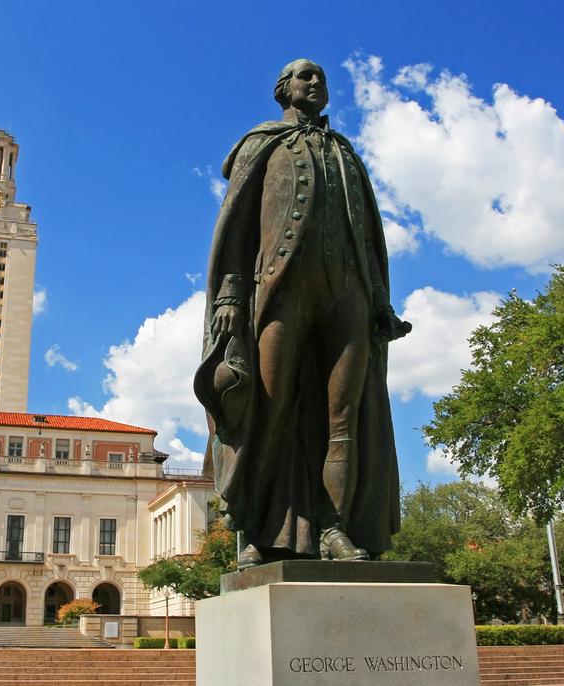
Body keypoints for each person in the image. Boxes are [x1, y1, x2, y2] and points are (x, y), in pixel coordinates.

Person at [195, 58, 411, 569]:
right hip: (281, 291)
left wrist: (379, 299)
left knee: (345, 418)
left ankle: (337, 529)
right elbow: (237, 226)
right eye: (304, 76)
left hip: (348, 294)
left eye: (321, 78)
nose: (315, 83)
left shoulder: (346, 155)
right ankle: (257, 527)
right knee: (265, 411)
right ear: (283, 90)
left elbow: (369, 237)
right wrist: (229, 295)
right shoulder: (262, 144)